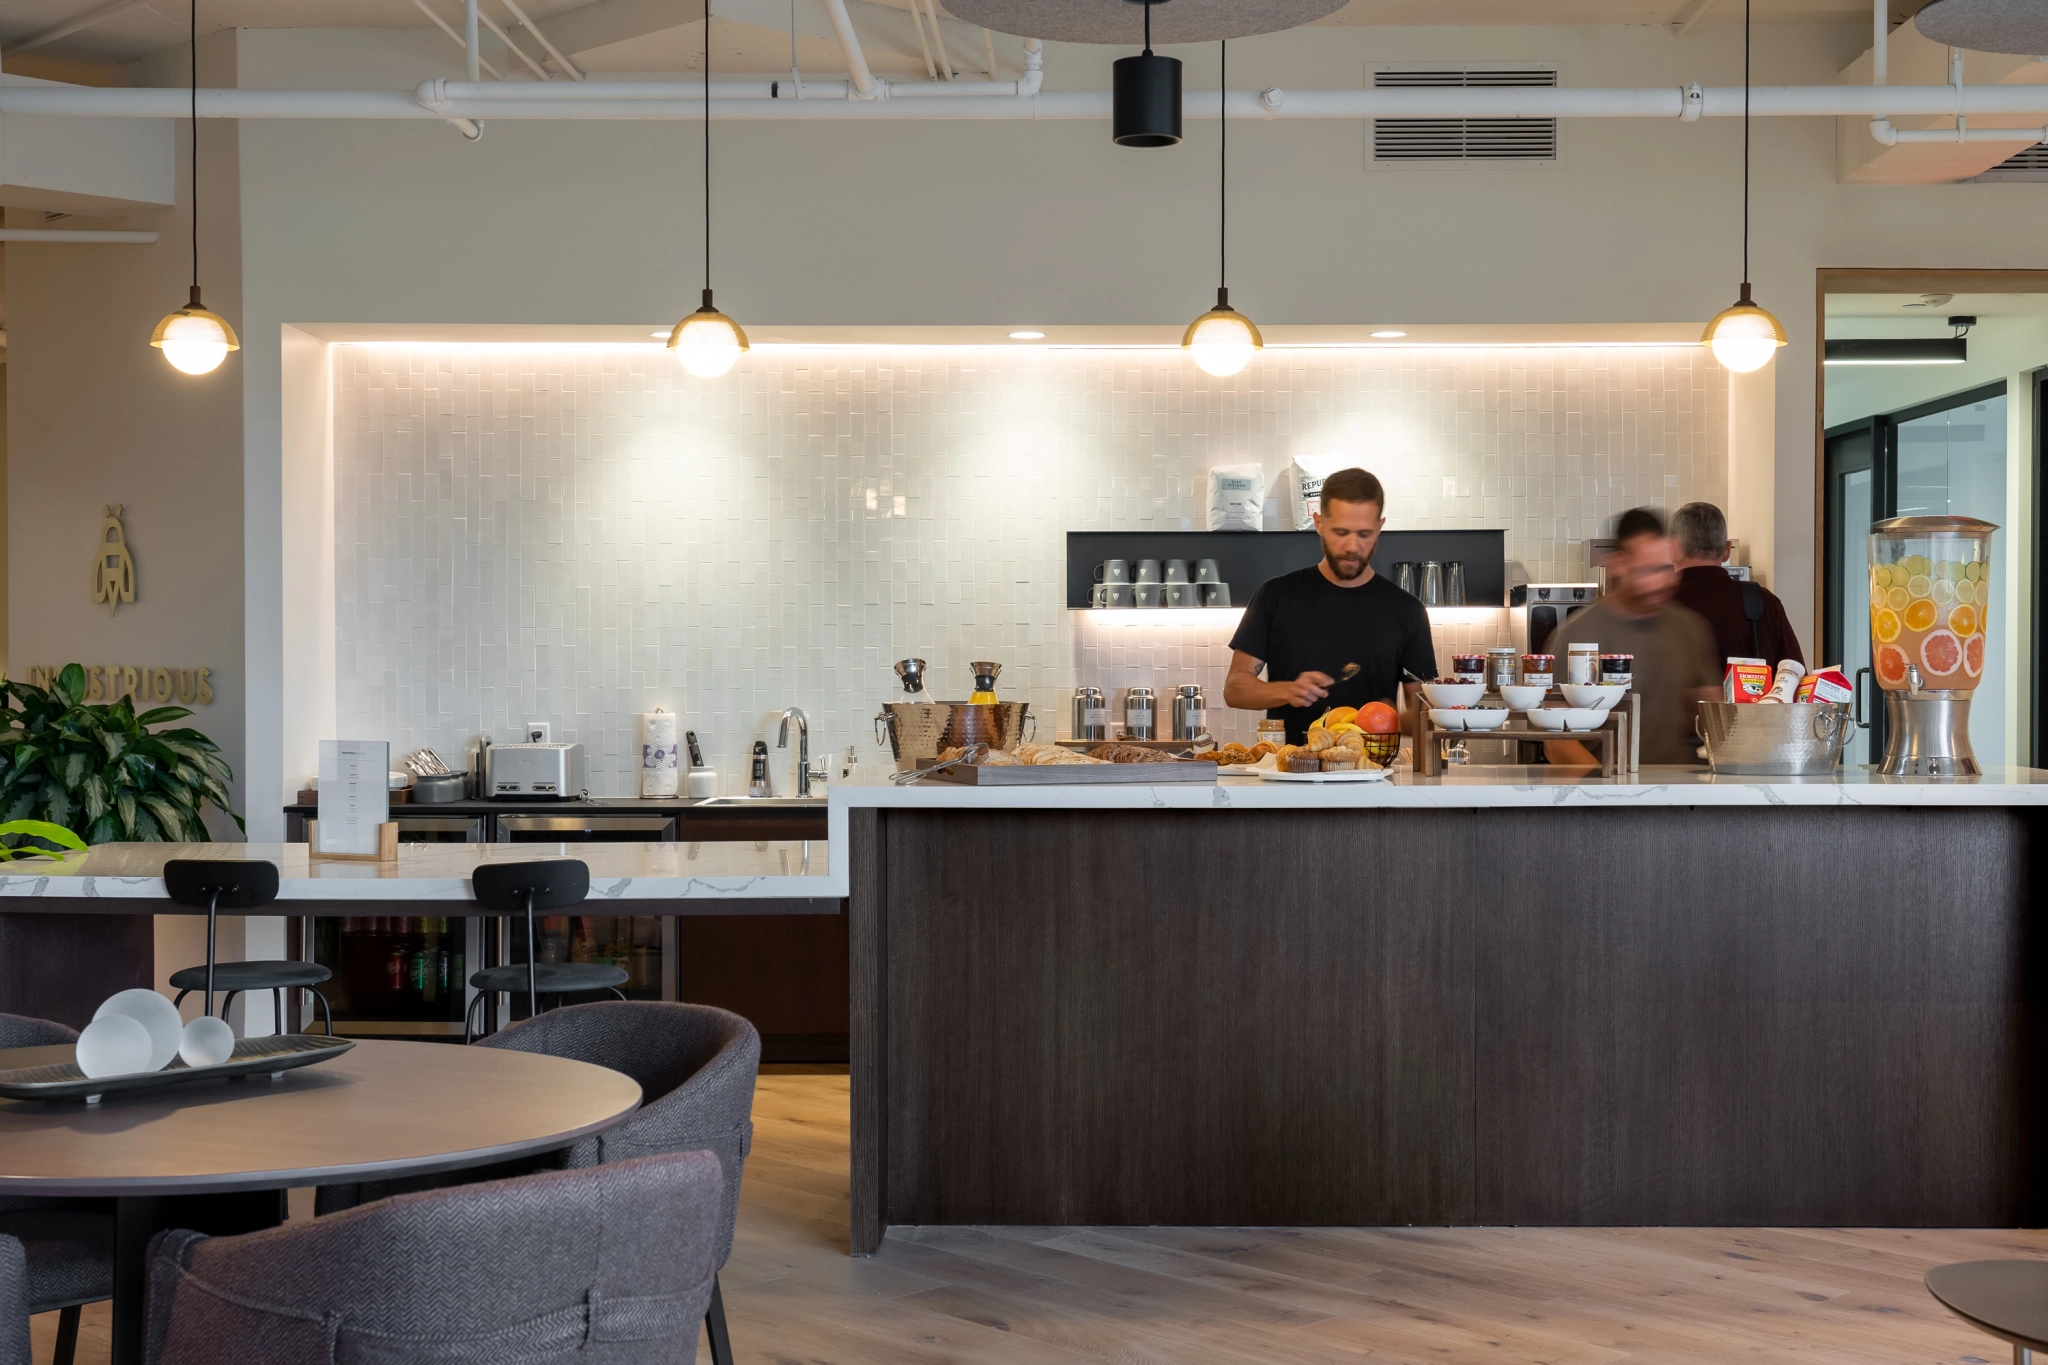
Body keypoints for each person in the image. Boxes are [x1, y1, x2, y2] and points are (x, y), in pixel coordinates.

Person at [1224, 467, 1437, 742]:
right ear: (1319, 523)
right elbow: (1234, 688)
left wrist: (1391, 718)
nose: (1352, 546)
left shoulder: (1407, 611)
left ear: (1379, 527)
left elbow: (1423, 712)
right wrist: (1288, 690)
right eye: (1341, 532)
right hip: (1290, 773)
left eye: (1364, 534)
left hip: (1371, 775)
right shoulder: (1275, 595)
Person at [1544, 507, 1719, 767]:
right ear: (1620, 564)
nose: (1660, 582)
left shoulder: (1690, 628)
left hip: (1678, 793)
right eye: (1648, 570)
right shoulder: (1579, 634)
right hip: (1606, 794)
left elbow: (1713, 713)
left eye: (1665, 568)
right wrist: (1606, 792)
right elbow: (1557, 740)